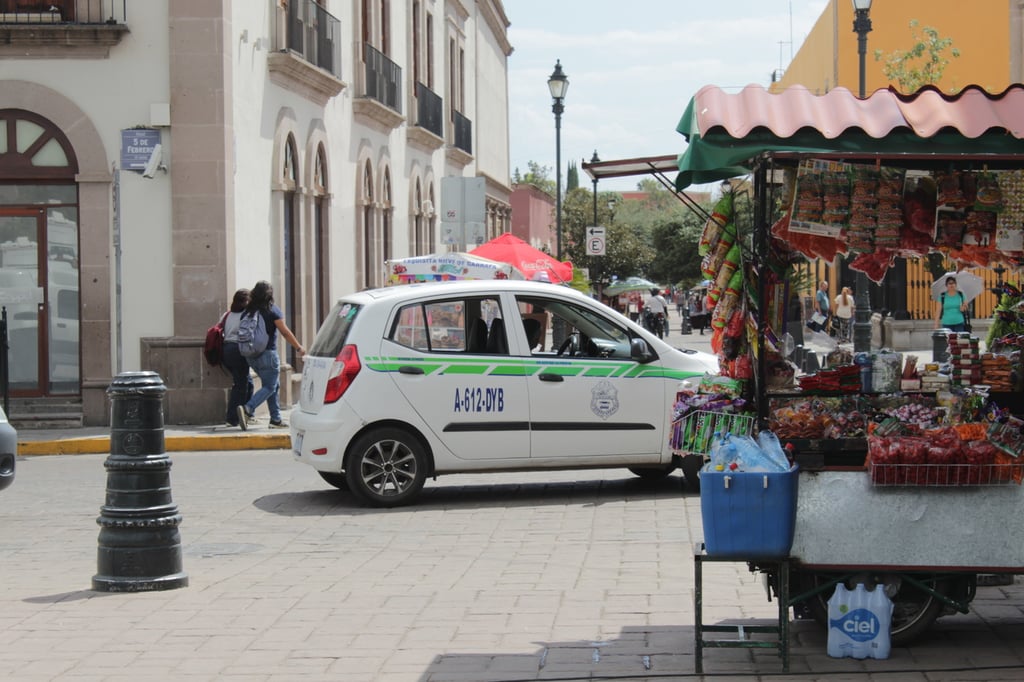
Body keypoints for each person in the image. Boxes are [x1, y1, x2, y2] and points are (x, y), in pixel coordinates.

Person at [237, 280, 305, 430]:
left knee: (273, 385)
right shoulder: (272, 310)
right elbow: (285, 332)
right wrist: (299, 347)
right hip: (267, 354)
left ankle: (275, 419)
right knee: (270, 386)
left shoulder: (248, 311)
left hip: (251, 356)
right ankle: (248, 408)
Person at [222, 288, 253, 427]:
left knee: (248, 382)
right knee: (240, 386)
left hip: (226, 350)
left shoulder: (227, 315)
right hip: (238, 350)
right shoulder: (245, 315)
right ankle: (233, 418)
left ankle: (248, 413)